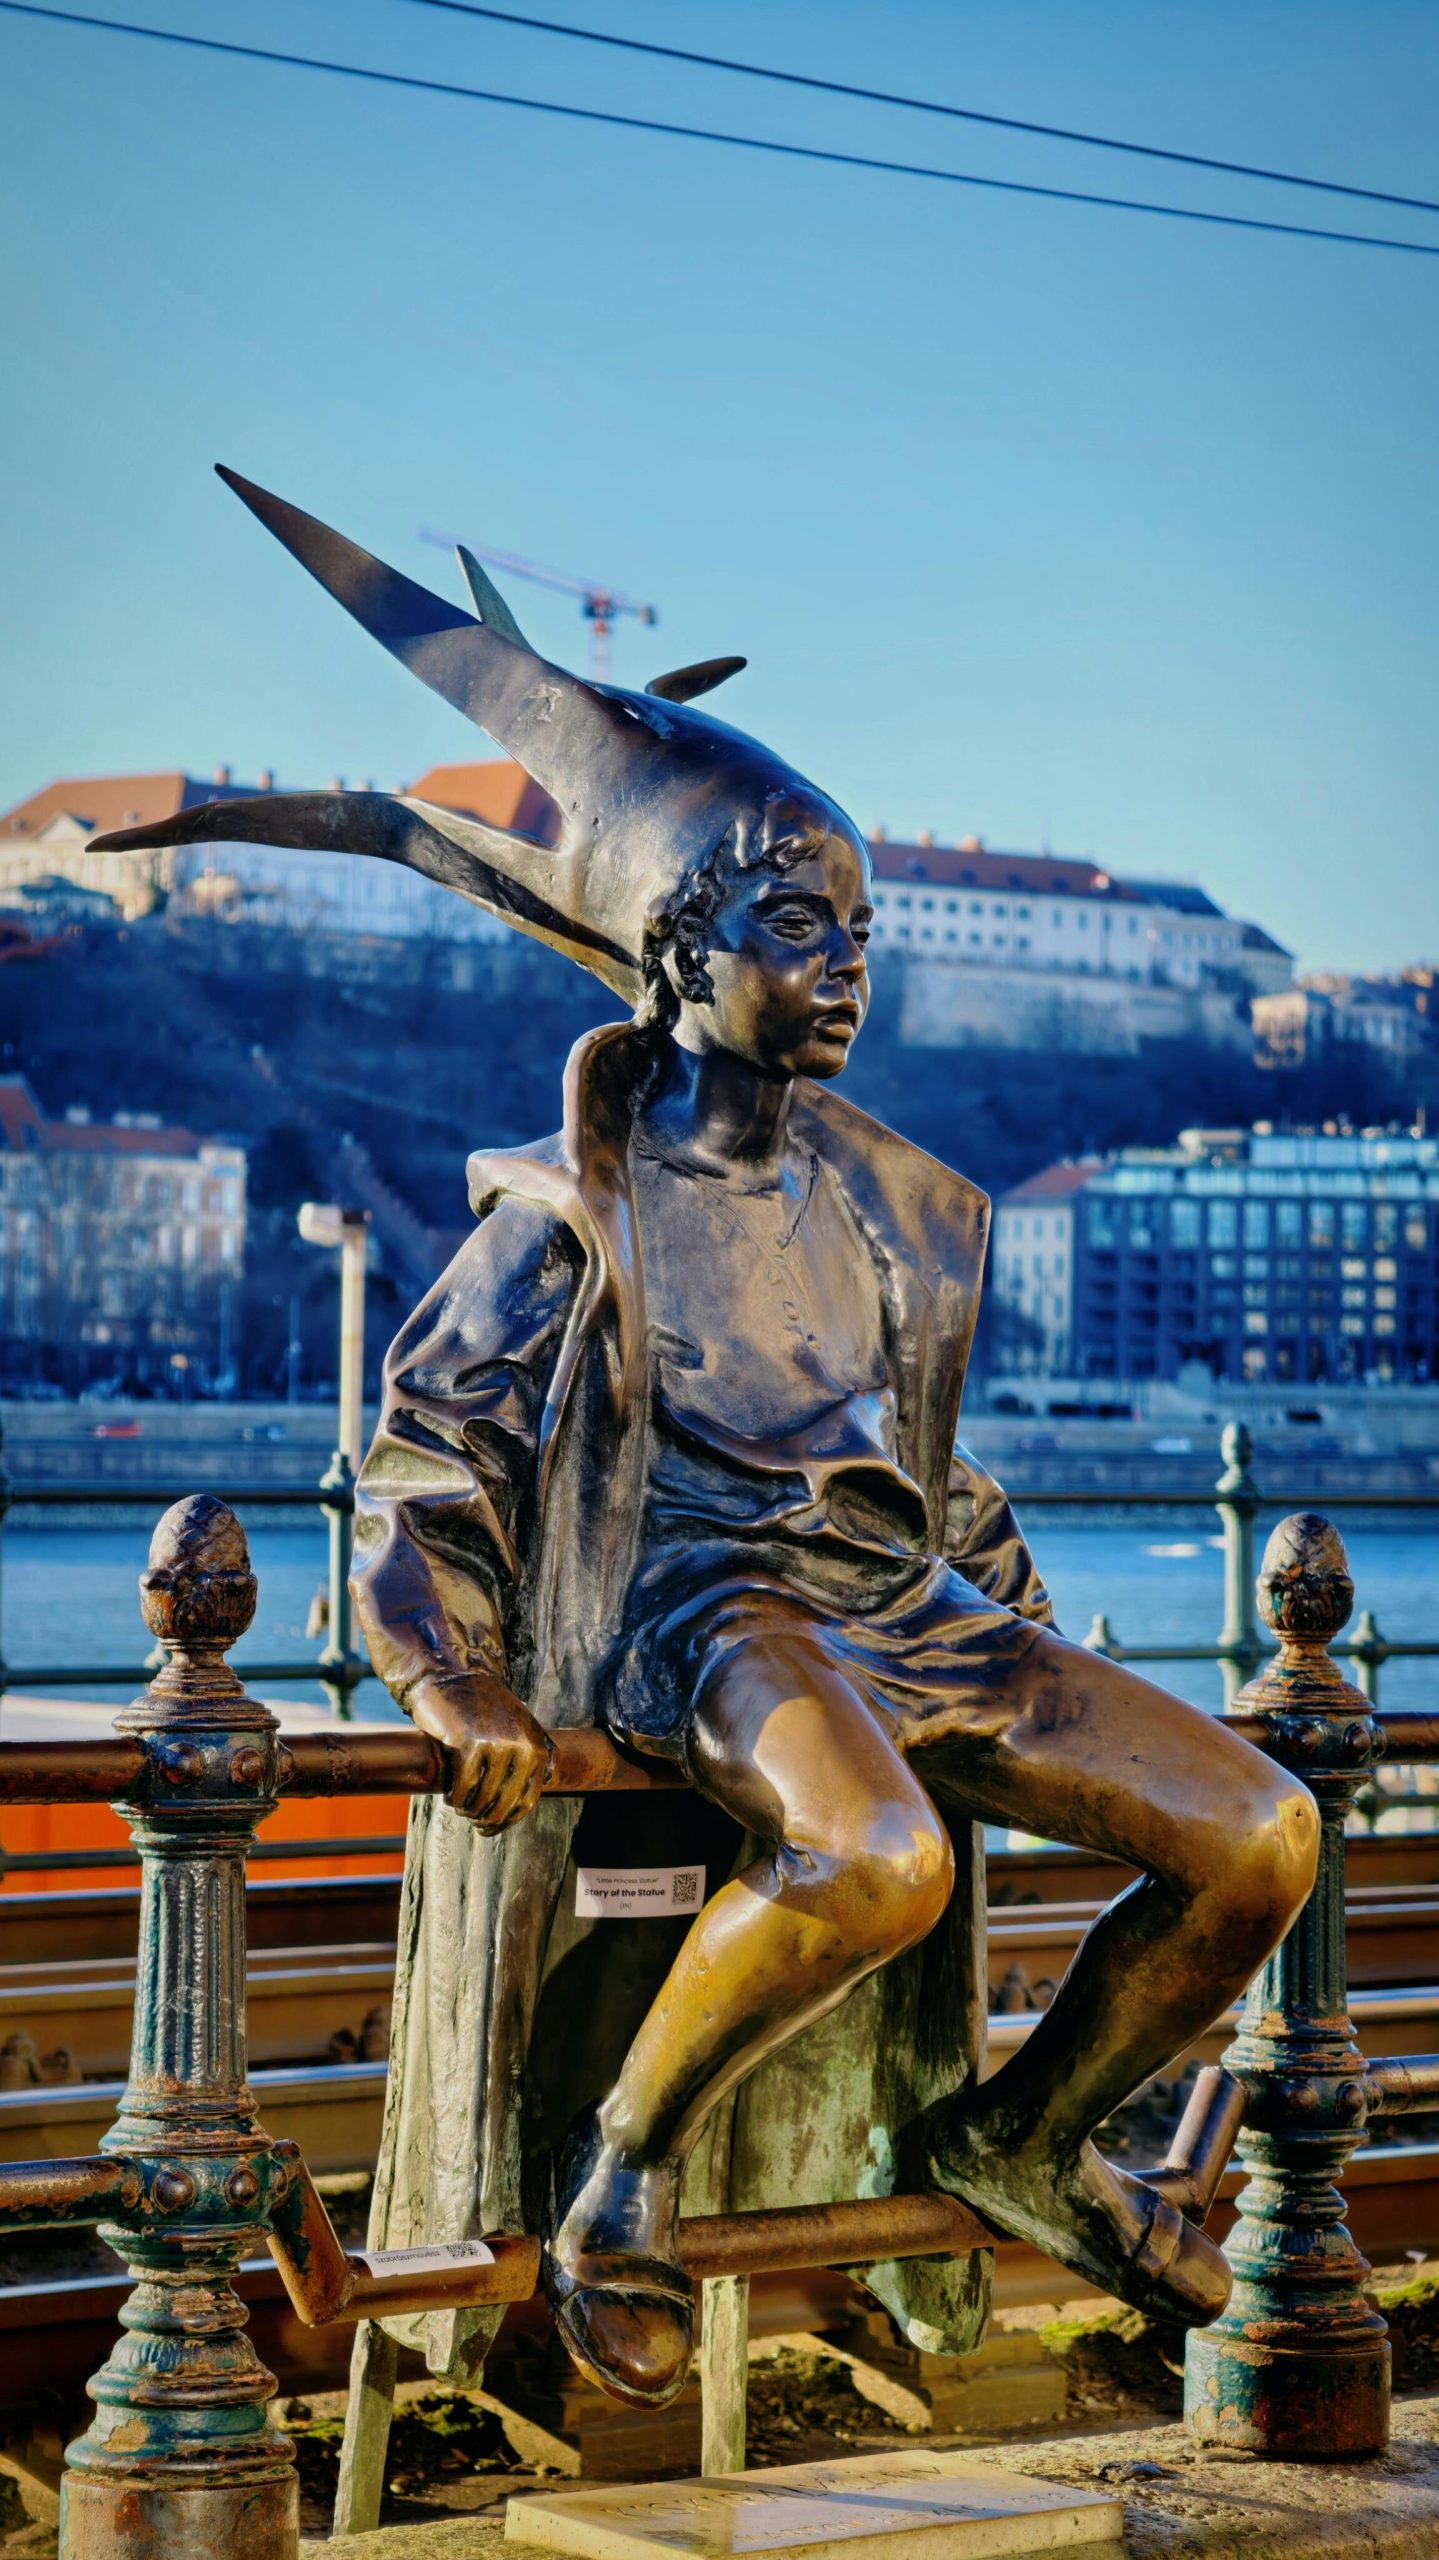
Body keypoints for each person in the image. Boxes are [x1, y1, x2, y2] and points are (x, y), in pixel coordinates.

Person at [94, 470, 1320, 2415]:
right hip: (709, 1616)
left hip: (901, 1608)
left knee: (1264, 1830)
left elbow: (920, 1466)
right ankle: (619, 2176)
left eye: (860, 931)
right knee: (877, 1854)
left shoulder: (893, 1213)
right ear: (680, 951)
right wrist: (452, 1674)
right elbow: (426, 1466)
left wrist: (1013, 1602)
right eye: (796, 925)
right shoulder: (570, 1209)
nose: (846, 966)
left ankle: (1023, 2137)